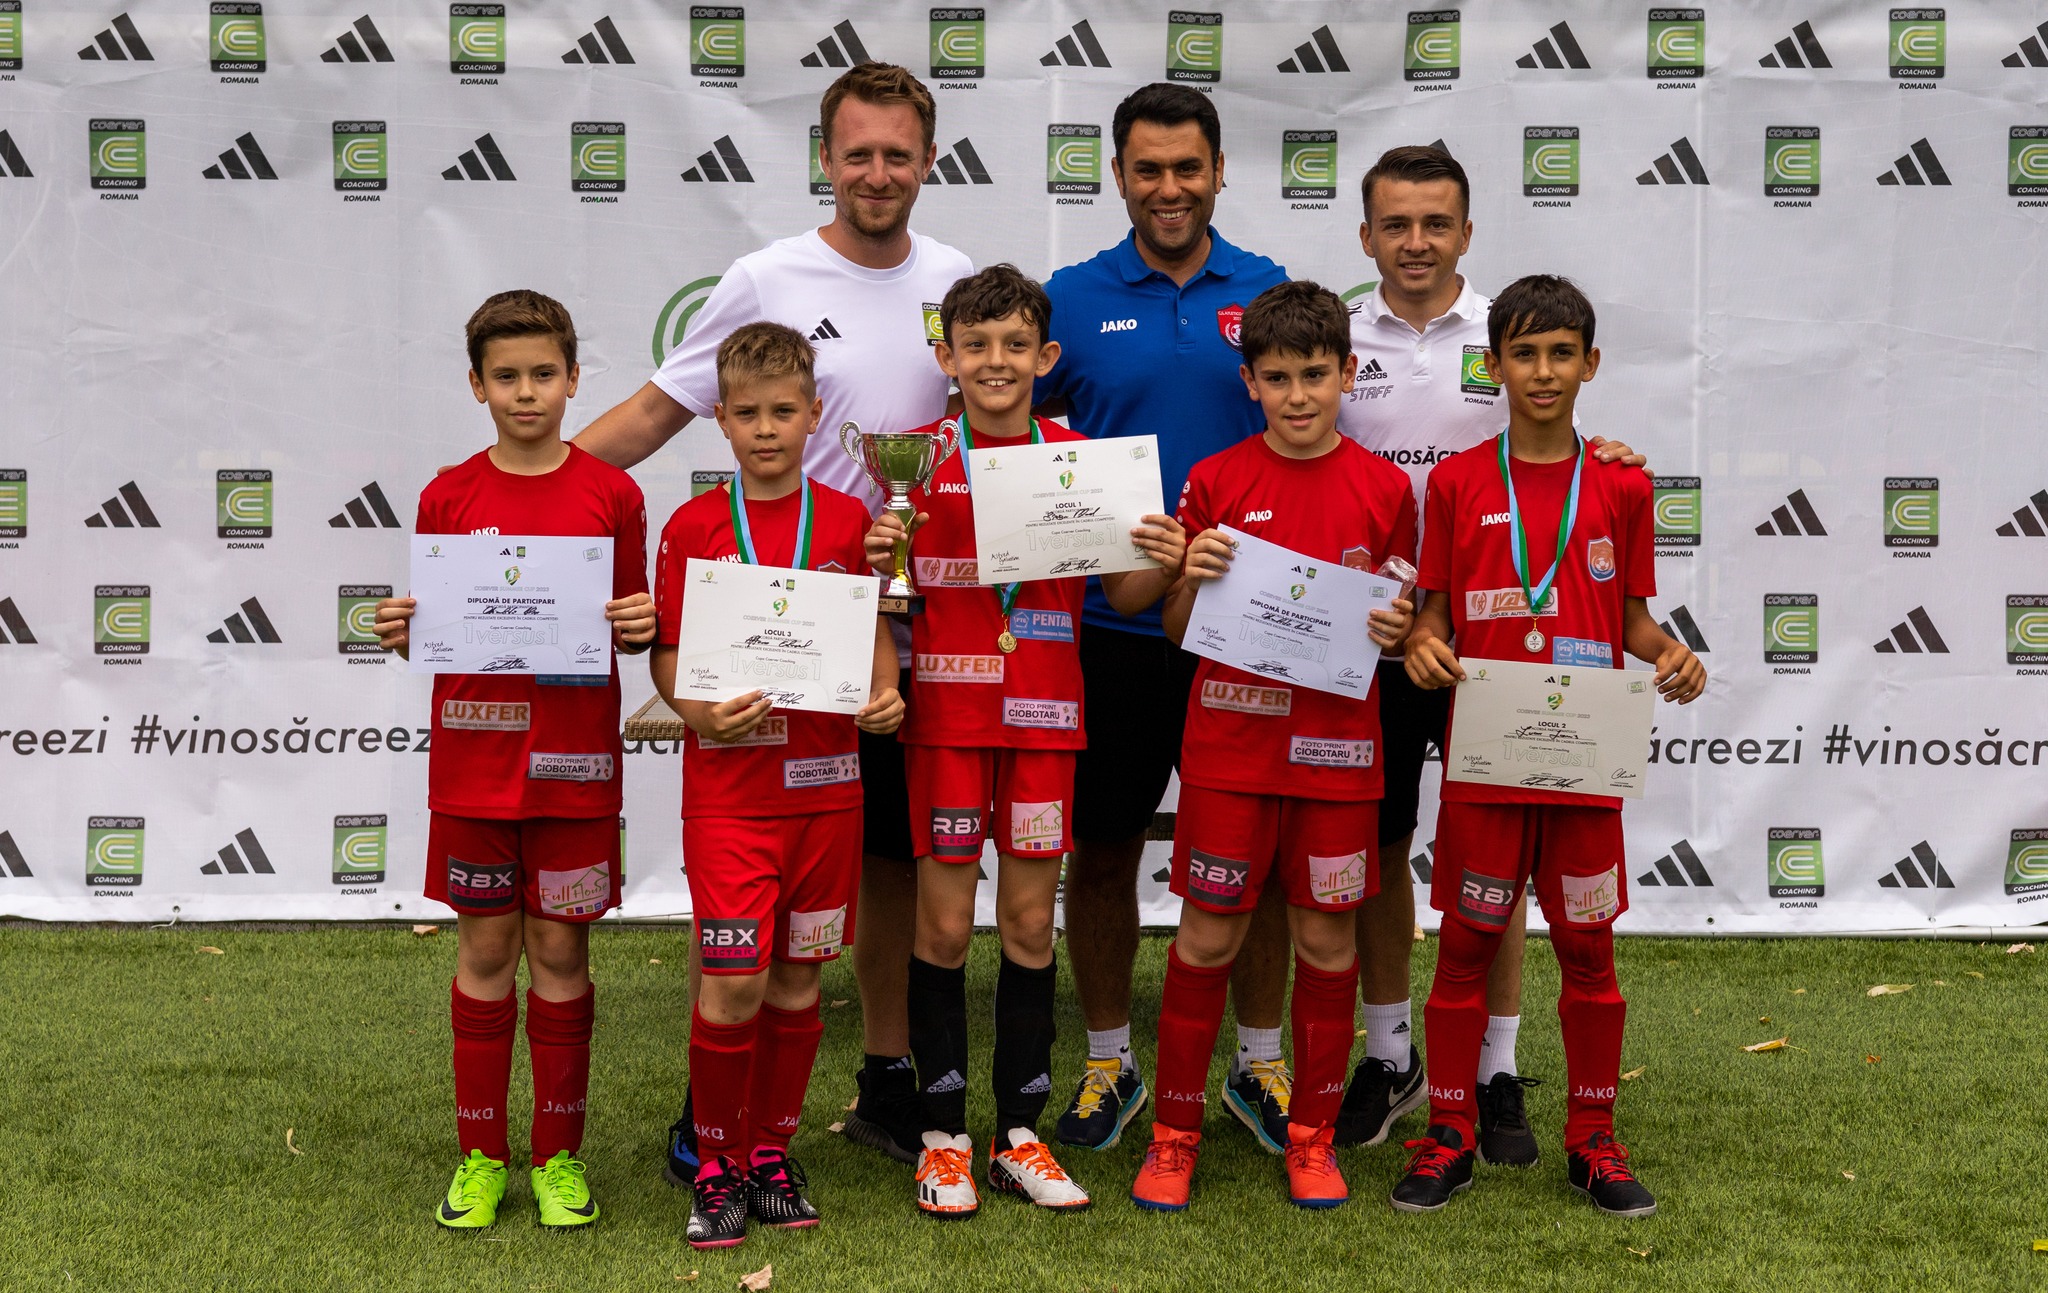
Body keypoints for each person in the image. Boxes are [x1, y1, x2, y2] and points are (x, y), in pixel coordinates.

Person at [569, 62, 973, 1174]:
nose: (877, 173)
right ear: (826, 161)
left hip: (906, 614)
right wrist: (536, 490)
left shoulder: (956, 282)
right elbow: (659, 408)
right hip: (776, 627)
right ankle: (722, 1131)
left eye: (898, 153)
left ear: (927, 161)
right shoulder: (765, 276)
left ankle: (887, 1071)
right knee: (801, 840)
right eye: (858, 153)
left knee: (886, 851)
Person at [1333, 145, 1644, 1163]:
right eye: (1394, 224)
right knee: (1380, 849)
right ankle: (1390, 1056)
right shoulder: (1335, 334)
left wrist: (1611, 459)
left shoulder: (1505, 322)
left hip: (1504, 664)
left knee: (1500, 853)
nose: (1414, 241)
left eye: (1435, 223)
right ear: (1366, 235)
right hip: (1380, 635)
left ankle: (1496, 1072)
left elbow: (1559, 457)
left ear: (1464, 232)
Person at [862, 266, 1187, 1219]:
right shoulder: (912, 460)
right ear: (946, 358)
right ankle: (941, 1139)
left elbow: (1121, 599)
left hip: (1047, 723)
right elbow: (884, 594)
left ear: (1045, 357)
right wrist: (884, 556)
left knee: (1031, 926)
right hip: (948, 727)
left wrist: (1156, 559)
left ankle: (1019, 1136)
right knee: (945, 927)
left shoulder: (1080, 456)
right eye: (976, 346)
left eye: (1014, 346)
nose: (995, 362)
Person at [1389, 275, 1704, 1216]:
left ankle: (1594, 1140)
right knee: (1467, 944)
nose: (1542, 371)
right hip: (1487, 757)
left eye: (1561, 352)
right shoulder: (1454, 481)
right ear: (1493, 366)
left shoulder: (1622, 482)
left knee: (1587, 948)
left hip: (1583, 762)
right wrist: (1423, 645)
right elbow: (1433, 614)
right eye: (1523, 353)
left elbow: (1636, 622)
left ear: (1590, 364)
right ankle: (1448, 1132)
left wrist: (1675, 656)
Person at [1035, 82, 1297, 1159]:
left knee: (1263, 859)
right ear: (1117, 176)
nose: (1168, 188)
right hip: (1111, 630)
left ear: (1219, 170)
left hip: (1248, 630)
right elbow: (1017, 434)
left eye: (1186, 167)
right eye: (1147, 169)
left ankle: (1260, 1061)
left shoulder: (1271, 288)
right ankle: (1107, 1058)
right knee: (1098, 850)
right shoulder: (1067, 294)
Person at [1129, 281, 1416, 1213]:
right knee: (1207, 937)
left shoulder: (1387, 489)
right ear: (1248, 381)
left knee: (1327, 945)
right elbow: (1176, 628)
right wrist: (1190, 574)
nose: (1299, 396)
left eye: (1317, 376)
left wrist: (1397, 629)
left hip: (1337, 756)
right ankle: (1173, 1139)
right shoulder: (1214, 479)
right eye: (1279, 378)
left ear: (1347, 373)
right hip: (1231, 753)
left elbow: (1405, 625)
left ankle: (1313, 1137)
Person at [372, 290, 656, 1230]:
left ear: (575, 380)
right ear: (476, 385)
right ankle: (482, 1156)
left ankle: (559, 1158)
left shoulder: (613, 494)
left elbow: (625, 626)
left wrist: (642, 619)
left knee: (562, 951)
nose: (526, 392)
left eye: (543, 374)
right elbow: (441, 629)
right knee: (487, 948)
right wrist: (400, 631)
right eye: (507, 377)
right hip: (474, 770)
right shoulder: (448, 494)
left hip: (574, 770)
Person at [649, 323, 905, 1248]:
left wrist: (886, 691)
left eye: (783, 412)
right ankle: (713, 1161)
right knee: (733, 979)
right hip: (732, 793)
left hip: (829, 790)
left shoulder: (846, 523)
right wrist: (696, 711)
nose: (766, 429)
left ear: (814, 416)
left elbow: (871, 627)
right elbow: (671, 655)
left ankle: (768, 1150)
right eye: (747, 413)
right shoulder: (692, 527)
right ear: (718, 419)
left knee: (799, 980)